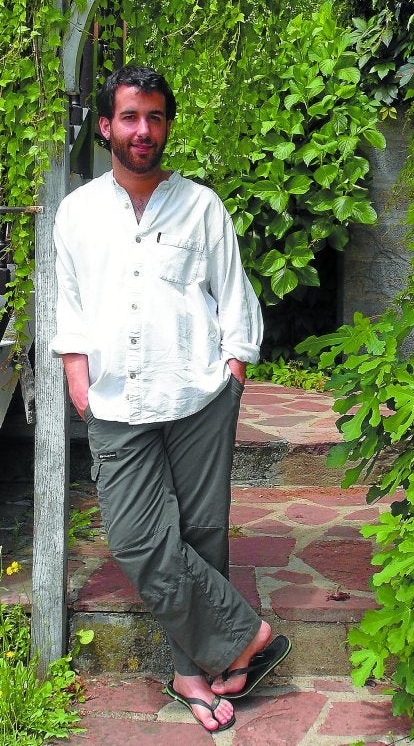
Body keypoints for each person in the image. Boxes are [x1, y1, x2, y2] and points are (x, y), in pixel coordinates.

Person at [50, 65, 291, 733]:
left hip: (198, 393)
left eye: (154, 117)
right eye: (130, 117)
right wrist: (76, 374)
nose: (143, 130)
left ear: (166, 126)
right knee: (135, 537)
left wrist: (235, 369)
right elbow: (70, 302)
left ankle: (194, 672)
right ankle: (247, 636)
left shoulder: (201, 206)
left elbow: (233, 294)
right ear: (105, 126)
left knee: (202, 533)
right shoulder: (77, 213)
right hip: (114, 399)